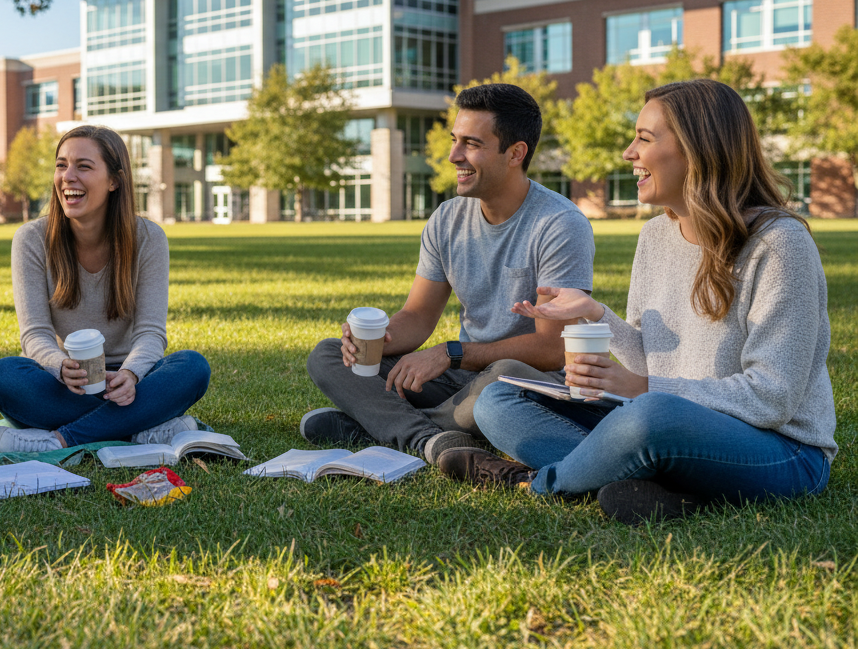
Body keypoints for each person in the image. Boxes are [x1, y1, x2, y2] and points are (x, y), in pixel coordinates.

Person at [444, 79, 836, 525]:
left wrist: (644, 390)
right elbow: (653, 361)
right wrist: (595, 315)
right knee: (498, 401)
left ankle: (535, 482)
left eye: (644, 139)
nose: (629, 153)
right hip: (666, 422)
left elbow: (773, 397)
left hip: (781, 451)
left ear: (697, 149)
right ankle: (649, 486)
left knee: (651, 414)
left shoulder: (780, 244)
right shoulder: (655, 236)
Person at [303, 84, 595, 464]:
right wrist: (374, 342)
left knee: (500, 377)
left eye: (471, 144)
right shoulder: (447, 219)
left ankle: (385, 427)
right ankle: (429, 437)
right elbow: (418, 317)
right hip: (461, 381)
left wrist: (451, 353)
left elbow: (553, 349)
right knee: (326, 355)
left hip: (522, 383)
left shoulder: (559, 224)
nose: (454, 155)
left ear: (515, 153)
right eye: (455, 140)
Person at [0, 125, 211, 452]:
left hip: (131, 382)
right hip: (67, 381)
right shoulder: (31, 239)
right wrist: (61, 367)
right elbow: (34, 334)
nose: (67, 176)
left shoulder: (148, 238)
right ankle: (141, 427)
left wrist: (132, 375)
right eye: (61, 165)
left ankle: (61, 439)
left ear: (114, 181)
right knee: (4, 376)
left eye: (83, 166)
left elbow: (150, 332)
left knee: (192, 367)